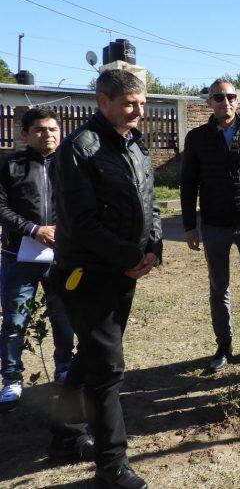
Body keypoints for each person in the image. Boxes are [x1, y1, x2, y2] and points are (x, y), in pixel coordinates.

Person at [51, 69, 162, 489]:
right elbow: (81, 223)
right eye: (130, 103)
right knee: (107, 370)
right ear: (103, 101)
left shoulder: (134, 142)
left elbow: (148, 198)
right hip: (87, 274)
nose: (139, 110)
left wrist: (153, 248)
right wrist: (131, 256)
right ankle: (111, 466)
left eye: (142, 102)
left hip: (124, 271)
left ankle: (65, 436)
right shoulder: (79, 149)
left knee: (91, 359)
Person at [181, 78, 240, 371]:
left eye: (231, 96)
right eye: (218, 97)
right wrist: (189, 225)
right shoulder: (197, 138)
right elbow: (188, 184)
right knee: (218, 287)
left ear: (238, 100)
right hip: (214, 224)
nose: (226, 102)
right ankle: (224, 344)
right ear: (209, 102)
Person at [0, 108, 75, 413]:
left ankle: (64, 368)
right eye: (40, 130)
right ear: (25, 134)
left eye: (53, 130)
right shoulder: (10, 165)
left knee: (63, 316)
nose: (48, 135)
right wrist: (33, 229)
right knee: (16, 319)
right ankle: (11, 379)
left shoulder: (70, 164)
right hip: (20, 255)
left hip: (62, 256)